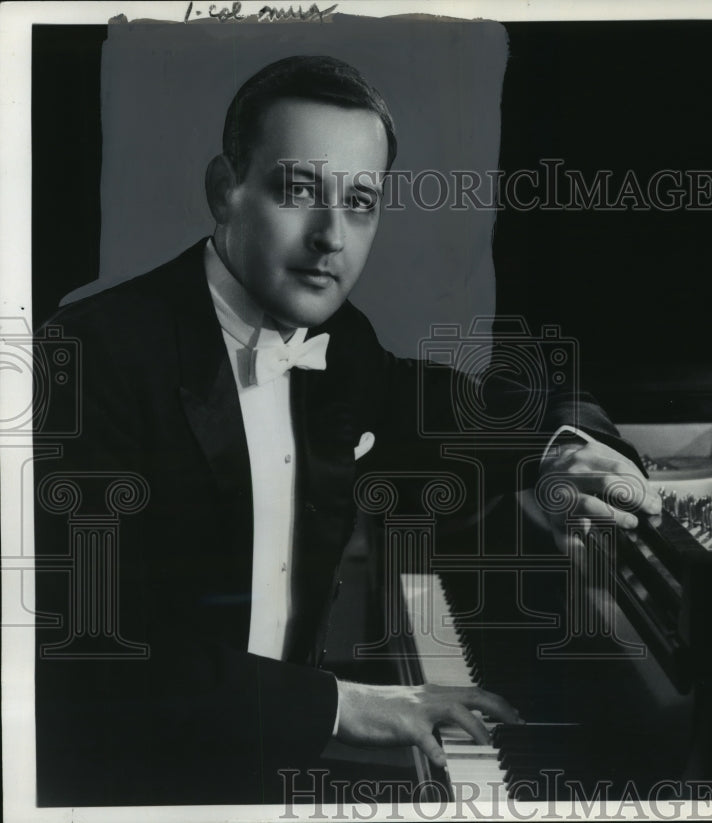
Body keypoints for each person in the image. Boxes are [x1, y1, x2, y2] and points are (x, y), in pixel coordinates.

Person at [33, 55, 660, 806]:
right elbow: (89, 658)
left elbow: (484, 412)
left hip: (265, 770)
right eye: (299, 190)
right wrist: (341, 706)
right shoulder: (85, 359)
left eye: (360, 201)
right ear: (224, 190)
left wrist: (563, 452)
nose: (331, 235)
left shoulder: (340, 345)